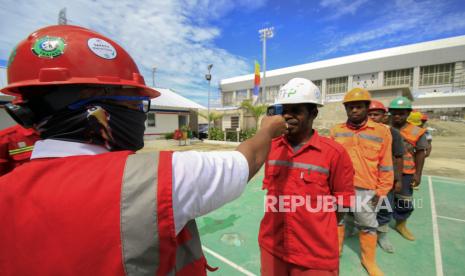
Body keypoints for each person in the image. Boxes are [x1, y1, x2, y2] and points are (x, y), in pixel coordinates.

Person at [0, 25, 287, 275]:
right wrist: (267, 129)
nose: (139, 114)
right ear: (95, 106)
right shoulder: (158, 179)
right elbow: (245, 160)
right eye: (136, 104)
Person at [259, 78, 355, 276]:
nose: (287, 116)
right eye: (285, 109)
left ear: (314, 113)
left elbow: (342, 203)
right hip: (273, 246)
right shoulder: (271, 147)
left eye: (296, 110)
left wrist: (316, 225)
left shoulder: (334, 153)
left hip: (315, 255)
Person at [331, 88, 393, 276]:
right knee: (337, 221)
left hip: (366, 188)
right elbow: (330, 160)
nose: (354, 111)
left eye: (358, 107)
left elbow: (386, 164)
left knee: (367, 224)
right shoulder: (337, 130)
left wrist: (382, 191)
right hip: (339, 187)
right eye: (350, 107)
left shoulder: (382, 132)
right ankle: (336, 252)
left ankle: (369, 260)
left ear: (367, 107)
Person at [388, 97, 428, 241]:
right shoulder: (384, 128)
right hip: (384, 170)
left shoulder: (417, 131)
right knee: (382, 199)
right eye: (394, 113)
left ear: (408, 113)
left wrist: (418, 174)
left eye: (402, 113)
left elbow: (421, 153)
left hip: (406, 172)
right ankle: (380, 223)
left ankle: (401, 224)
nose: (397, 116)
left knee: (404, 200)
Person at [367, 100, 404, 253]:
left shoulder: (392, 133)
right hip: (365, 178)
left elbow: (398, 157)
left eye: (376, 114)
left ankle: (382, 235)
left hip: (385, 180)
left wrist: (398, 179)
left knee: (384, 208)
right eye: (370, 114)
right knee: (356, 206)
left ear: (384, 116)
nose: (372, 117)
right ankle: (354, 229)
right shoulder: (361, 131)